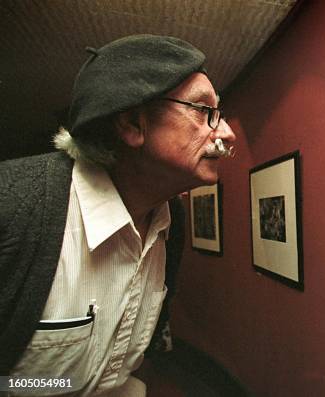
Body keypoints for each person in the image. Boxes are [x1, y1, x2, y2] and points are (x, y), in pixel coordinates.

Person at [0, 34, 236, 395]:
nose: (228, 133)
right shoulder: (13, 204)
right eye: (204, 112)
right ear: (131, 124)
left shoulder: (171, 218)